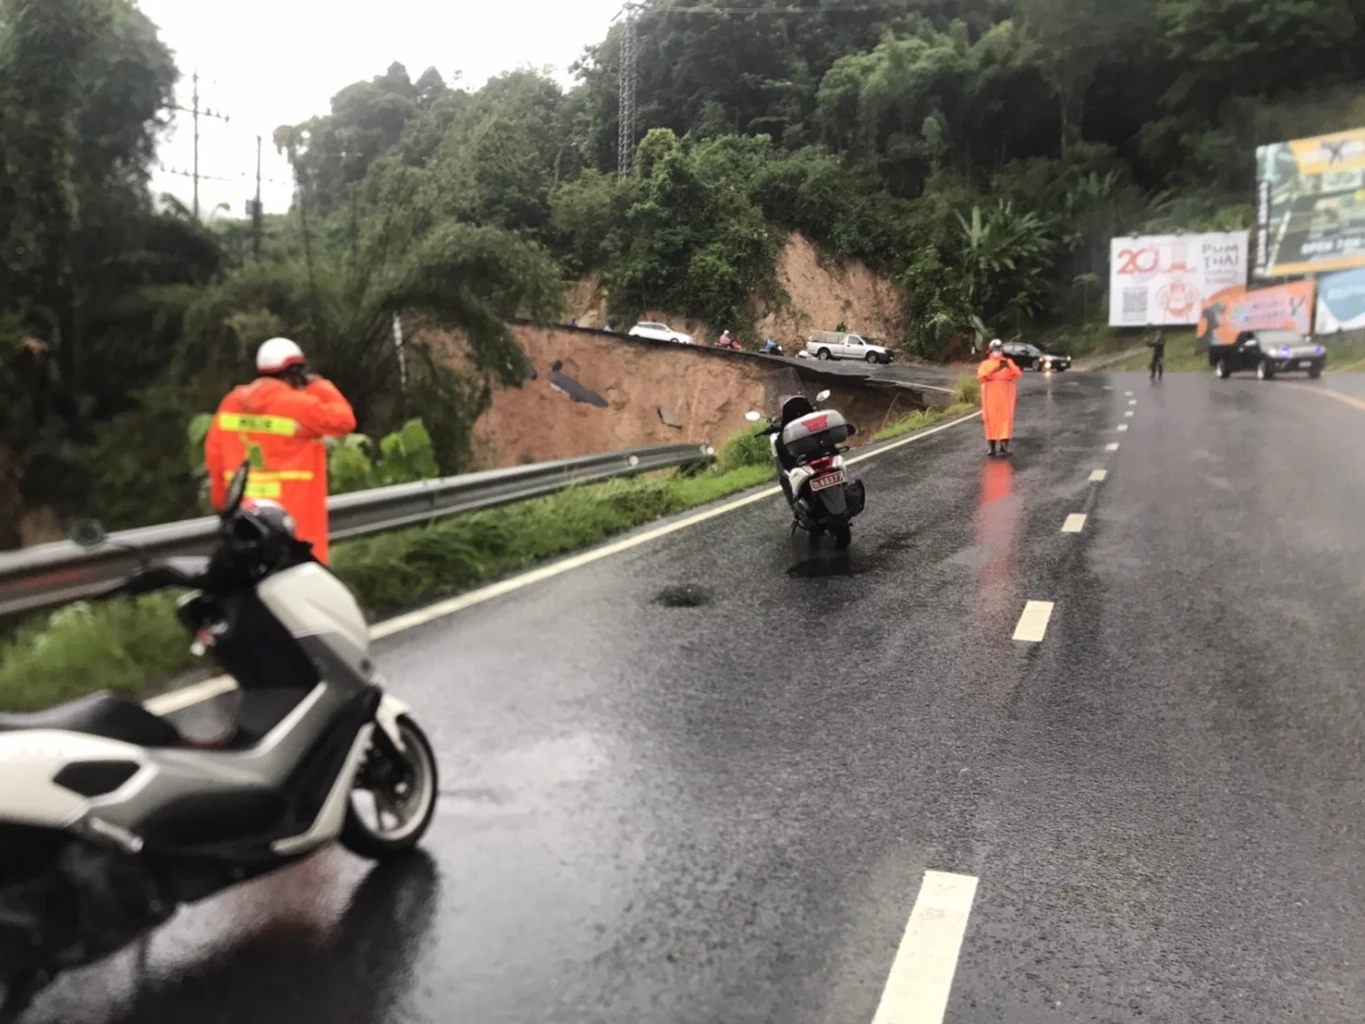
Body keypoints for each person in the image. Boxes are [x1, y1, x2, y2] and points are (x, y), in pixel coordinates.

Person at [204, 337, 356, 564]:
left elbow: (215, 458)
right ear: (295, 372)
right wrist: (320, 385)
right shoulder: (299, 406)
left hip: (246, 522)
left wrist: (222, 505)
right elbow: (344, 421)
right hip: (294, 522)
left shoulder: (230, 404)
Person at [977, 338, 1022, 458]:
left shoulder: (1008, 361)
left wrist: (1009, 366)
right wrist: (995, 369)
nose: (997, 352)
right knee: (990, 419)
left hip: (1006, 395)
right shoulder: (985, 364)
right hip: (990, 395)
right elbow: (981, 377)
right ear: (990, 351)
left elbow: (1018, 374)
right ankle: (991, 447)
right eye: (995, 350)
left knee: (1006, 419)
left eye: (999, 349)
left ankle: (1004, 446)